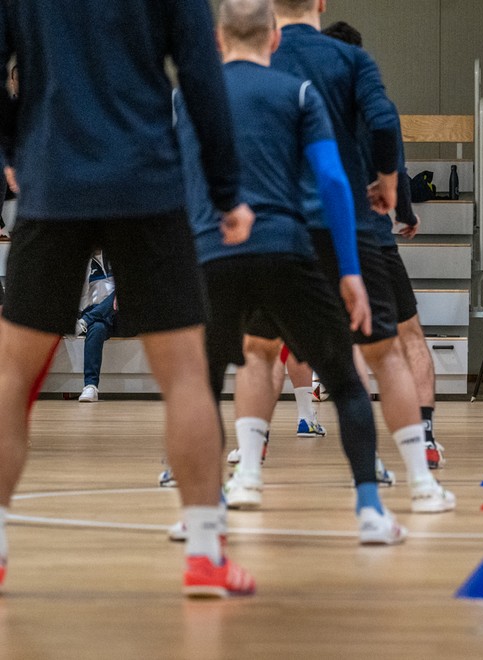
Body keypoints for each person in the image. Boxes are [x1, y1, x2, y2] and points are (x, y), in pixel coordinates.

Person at [0, 0, 256, 597]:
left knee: (11, 380)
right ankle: (203, 555)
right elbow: (200, 76)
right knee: (188, 378)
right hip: (146, 185)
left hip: (52, 182)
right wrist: (225, 191)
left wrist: (14, 150)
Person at [176, 0, 405, 544]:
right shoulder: (298, 93)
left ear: (216, 42)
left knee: (202, 390)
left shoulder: (190, 96)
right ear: (274, 41)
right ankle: (371, 511)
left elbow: (180, 180)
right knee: (346, 382)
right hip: (286, 249)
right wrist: (349, 271)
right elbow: (331, 182)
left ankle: (201, 518)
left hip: (212, 253)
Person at [261, 0, 454, 512]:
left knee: (261, 352)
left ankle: (243, 471)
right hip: (352, 229)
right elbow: (385, 126)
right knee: (385, 350)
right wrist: (395, 191)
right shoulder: (350, 65)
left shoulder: (257, 58)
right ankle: (419, 475)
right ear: (319, 5)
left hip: (271, 228)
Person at [76, 251, 117, 403]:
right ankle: (90, 386)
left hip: (119, 315)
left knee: (120, 293)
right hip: (95, 315)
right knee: (97, 328)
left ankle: (84, 322)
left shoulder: (118, 255)